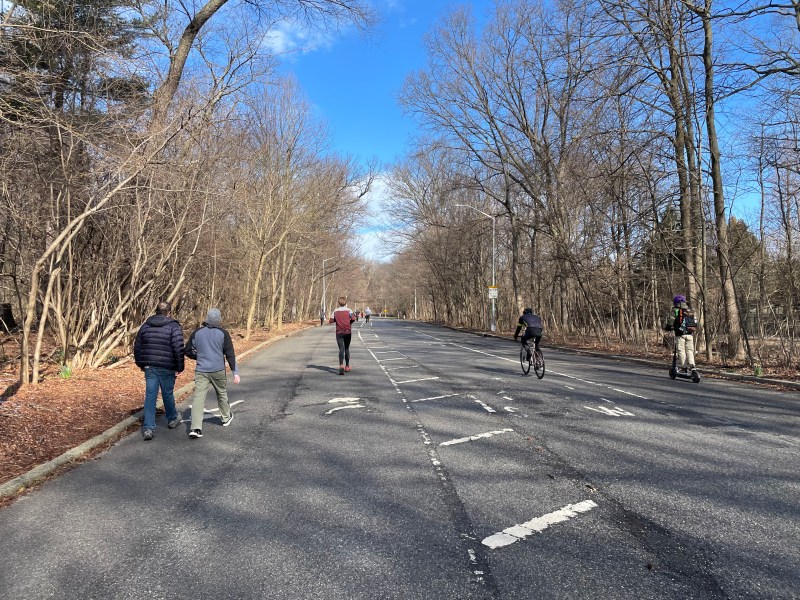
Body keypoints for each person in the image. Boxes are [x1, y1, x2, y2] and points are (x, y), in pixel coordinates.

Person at [185, 308, 240, 439]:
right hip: (218, 370)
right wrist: (235, 372)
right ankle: (226, 418)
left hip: (201, 370)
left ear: (207, 319)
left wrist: (198, 356)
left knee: (199, 397)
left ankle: (196, 428)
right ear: (219, 320)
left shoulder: (197, 332)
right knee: (221, 393)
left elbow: (187, 350)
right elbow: (230, 354)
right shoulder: (223, 333)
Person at [133, 301, 185, 441]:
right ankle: (172, 418)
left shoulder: (146, 326)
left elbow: (137, 347)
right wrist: (180, 367)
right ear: (169, 312)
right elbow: (178, 348)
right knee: (167, 393)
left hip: (150, 366)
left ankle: (148, 428)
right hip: (167, 366)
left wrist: (140, 363)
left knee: (151, 396)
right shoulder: (173, 326)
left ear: (156, 311)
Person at [664, 294, 697, 373]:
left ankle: (684, 368)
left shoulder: (675, 310)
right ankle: (692, 365)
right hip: (690, 334)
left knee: (681, 351)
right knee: (690, 350)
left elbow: (671, 322)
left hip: (680, 334)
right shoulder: (689, 310)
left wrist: (668, 327)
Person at [330, 296, 355, 375]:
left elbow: (331, 320)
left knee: (341, 349)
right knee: (347, 348)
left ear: (339, 303)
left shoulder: (335, 311)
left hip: (339, 332)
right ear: (345, 302)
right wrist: (349, 323)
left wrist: (336, 320)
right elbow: (353, 318)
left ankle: (341, 365)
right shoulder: (349, 310)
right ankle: (347, 366)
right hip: (347, 331)